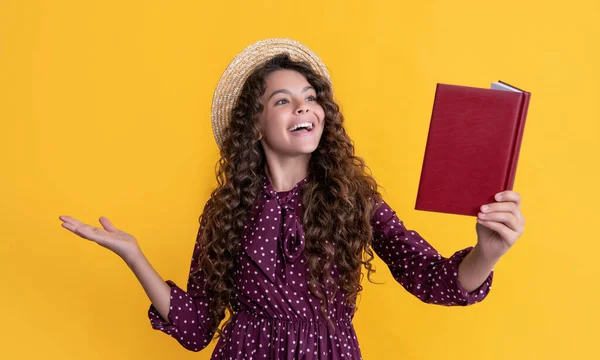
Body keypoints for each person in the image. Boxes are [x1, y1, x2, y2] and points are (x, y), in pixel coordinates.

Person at [58, 38, 525, 359]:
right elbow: (198, 328)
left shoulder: (353, 198)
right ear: (255, 126)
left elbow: (431, 278)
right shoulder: (224, 212)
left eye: (310, 96)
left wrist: (487, 252)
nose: (303, 106)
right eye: (281, 100)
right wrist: (134, 256)